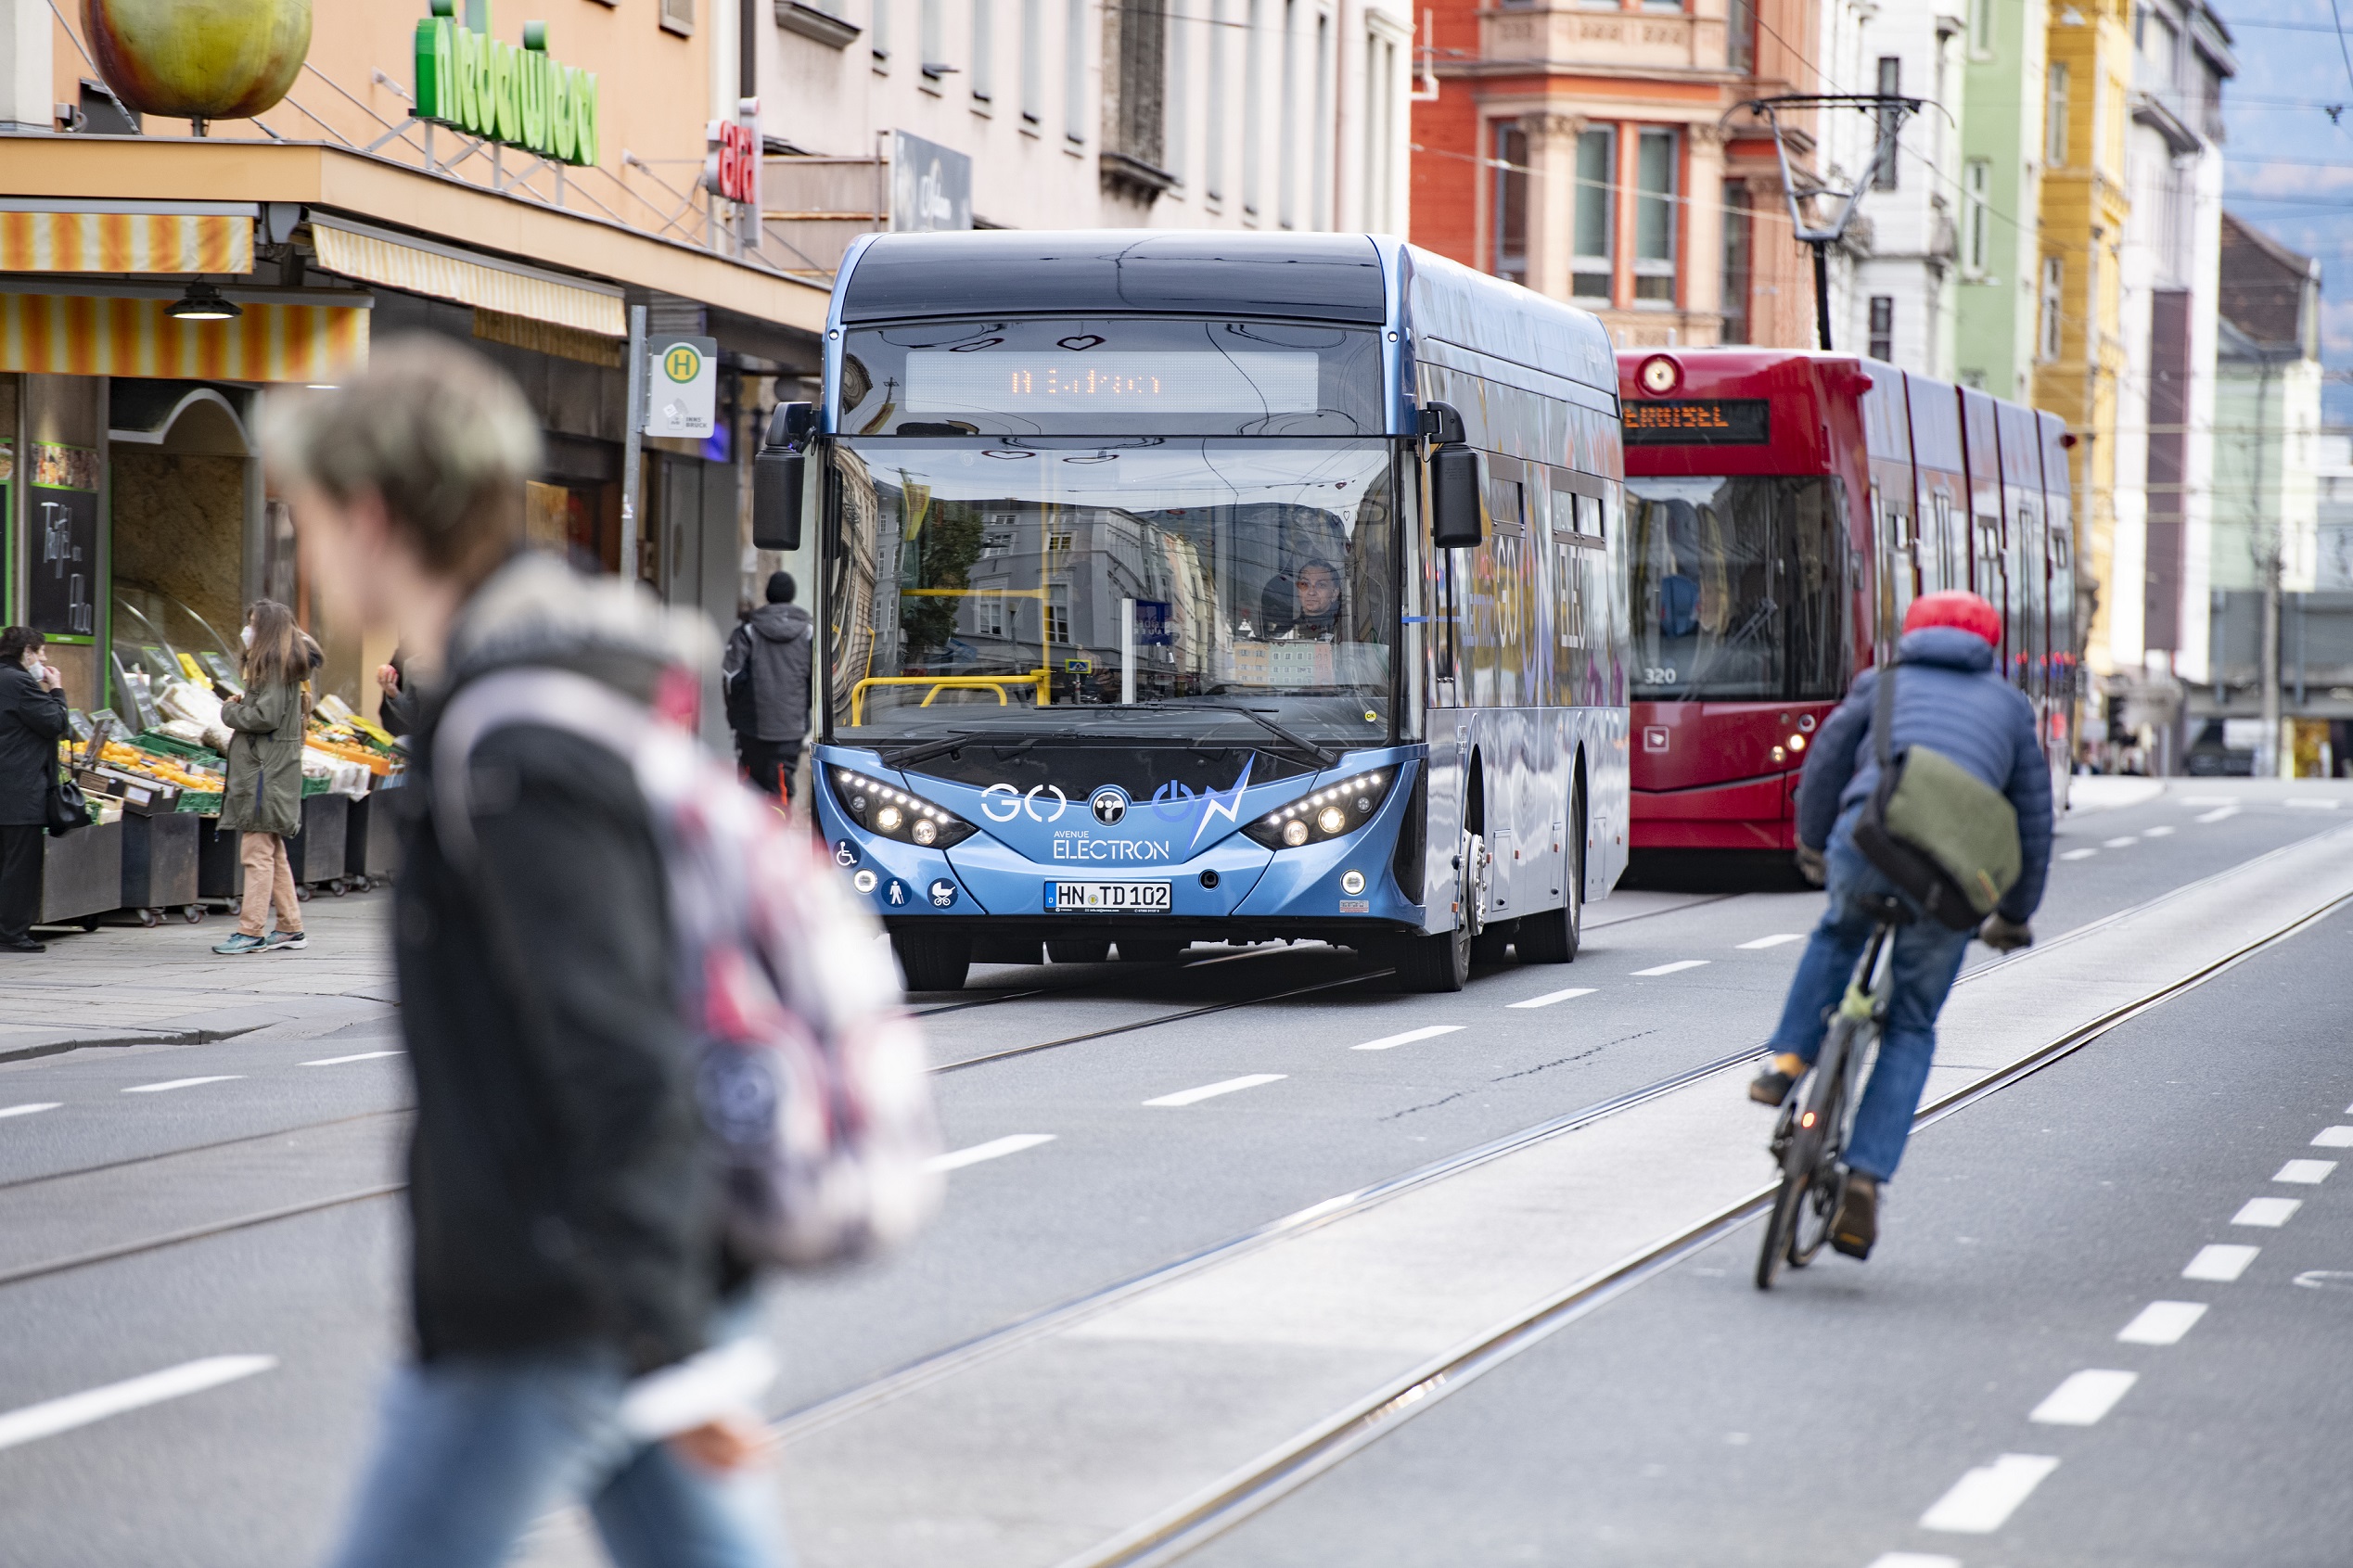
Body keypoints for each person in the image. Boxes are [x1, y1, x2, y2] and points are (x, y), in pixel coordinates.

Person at [266, 336, 783, 1568]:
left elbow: (617, 1042)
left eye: (306, 522)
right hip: (598, 1274)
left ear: (375, 516)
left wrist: (668, 1337)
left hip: (557, 1293)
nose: (305, 555)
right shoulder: (526, 695)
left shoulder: (518, 740)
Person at [1750, 591, 2052, 1259]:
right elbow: (2032, 819)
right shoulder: (2009, 707)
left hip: (1871, 841)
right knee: (1910, 1022)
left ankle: (1788, 1058)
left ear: (1910, 633)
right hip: (1949, 882)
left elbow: (1826, 759)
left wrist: (1810, 841)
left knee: (1836, 934)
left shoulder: (1878, 684)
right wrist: (2013, 913)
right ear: (1988, 644)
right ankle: (1863, 1177)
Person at [209, 600, 317, 956]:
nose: (248, 631)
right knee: (273, 851)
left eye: (253, 624)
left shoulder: (272, 666)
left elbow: (265, 716)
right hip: (273, 768)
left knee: (256, 853)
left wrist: (230, 709)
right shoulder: (287, 665)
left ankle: (250, 930)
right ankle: (290, 926)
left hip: (263, 771)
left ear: (267, 630)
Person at [0, 627, 67, 954]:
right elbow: (55, 722)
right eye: (41, 652)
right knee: (19, 865)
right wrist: (56, 690)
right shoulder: (19, 682)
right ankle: (12, 932)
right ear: (26, 652)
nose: (44, 659)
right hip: (18, 791)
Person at [722, 571, 812, 802]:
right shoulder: (809, 633)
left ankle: (748, 836)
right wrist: (802, 710)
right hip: (791, 727)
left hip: (752, 727)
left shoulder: (748, 632)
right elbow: (817, 682)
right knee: (780, 787)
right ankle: (777, 835)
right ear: (792, 595)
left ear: (768, 594)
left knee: (750, 787)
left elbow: (731, 678)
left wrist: (736, 715)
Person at [1261, 559, 1343, 640]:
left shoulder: (1342, 627)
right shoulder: (1287, 631)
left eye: (1321, 585)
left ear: (1334, 593)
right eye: (1304, 584)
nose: (1311, 592)